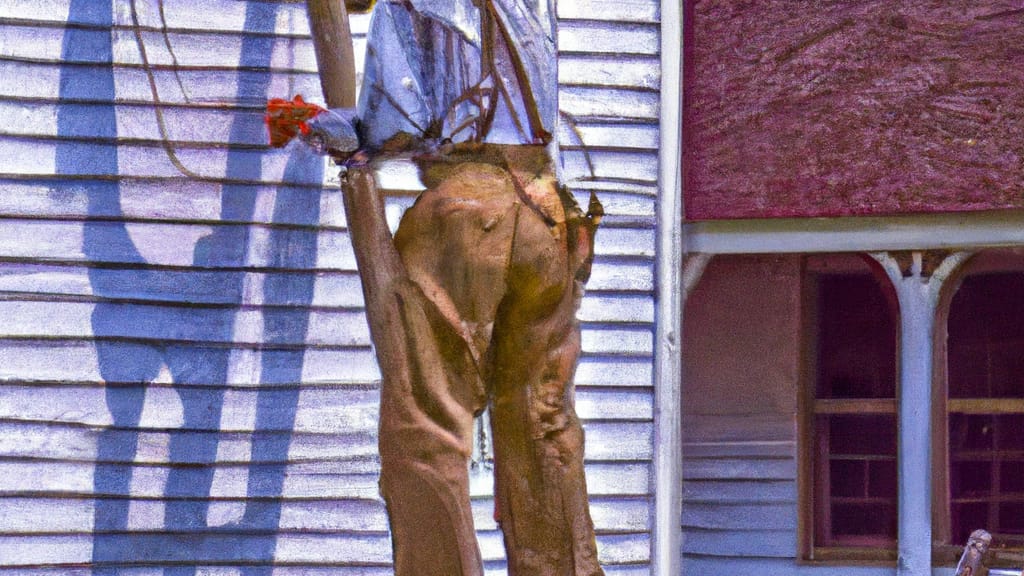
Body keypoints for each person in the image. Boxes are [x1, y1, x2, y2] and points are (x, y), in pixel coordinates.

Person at [303, 1, 605, 573]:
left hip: (466, 212)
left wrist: (343, 132)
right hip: (545, 211)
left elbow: (399, 121)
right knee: (542, 419)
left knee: (428, 422)